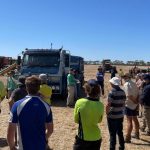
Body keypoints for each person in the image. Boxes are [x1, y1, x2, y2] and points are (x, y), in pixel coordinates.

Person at [7, 75, 53, 150]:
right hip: (40, 146)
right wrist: (43, 139)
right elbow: (50, 130)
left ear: (26, 88)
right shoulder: (46, 106)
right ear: (39, 88)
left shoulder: (17, 105)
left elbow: (10, 131)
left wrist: (12, 147)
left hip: (23, 146)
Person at [73, 79, 104, 150]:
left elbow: (76, 120)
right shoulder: (100, 105)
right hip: (96, 138)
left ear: (86, 90)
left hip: (82, 137)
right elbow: (99, 121)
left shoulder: (79, 102)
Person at [106, 77, 126, 150]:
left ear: (113, 84)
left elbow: (108, 104)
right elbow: (123, 103)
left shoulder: (112, 92)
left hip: (112, 116)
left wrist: (107, 113)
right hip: (120, 115)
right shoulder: (123, 92)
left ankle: (112, 148)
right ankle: (122, 146)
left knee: (112, 134)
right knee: (120, 132)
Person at [123, 73, 140, 143]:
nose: (123, 78)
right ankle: (137, 134)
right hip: (135, 105)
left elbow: (129, 96)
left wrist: (135, 101)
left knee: (129, 121)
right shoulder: (134, 83)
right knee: (135, 119)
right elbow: (138, 93)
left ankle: (127, 137)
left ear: (127, 77)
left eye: (124, 77)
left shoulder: (126, 84)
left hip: (129, 105)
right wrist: (136, 102)